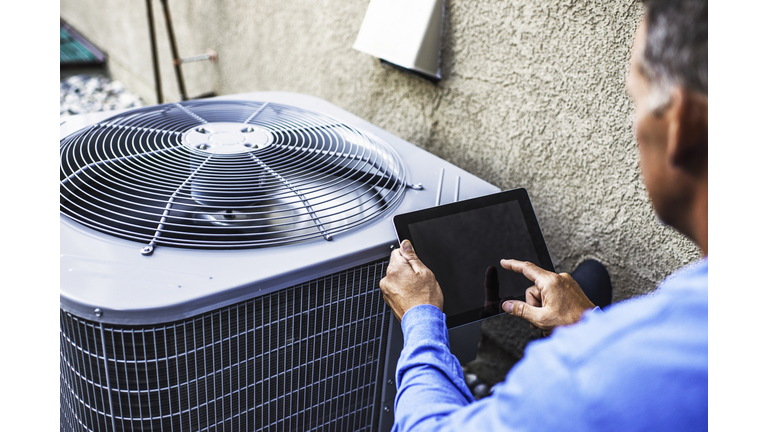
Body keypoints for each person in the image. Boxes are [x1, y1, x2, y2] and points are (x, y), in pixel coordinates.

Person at [378, 0, 708, 430]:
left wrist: (421, 317)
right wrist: (589, 322)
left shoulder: (581, 372)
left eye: (636, 102)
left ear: (679, 123)